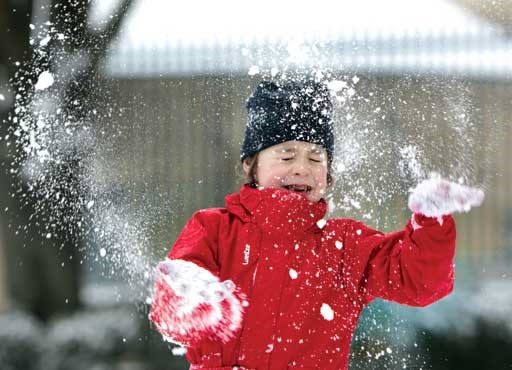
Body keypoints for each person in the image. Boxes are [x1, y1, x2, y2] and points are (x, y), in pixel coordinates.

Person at [148, 78, 484, 370]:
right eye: (286, 154)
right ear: (251, 164)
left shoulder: (344, 246)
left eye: (315, 157)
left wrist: (432, 222)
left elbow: (417, 280)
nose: (301, 168)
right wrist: (189, 303)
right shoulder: (215, 230)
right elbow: (173, 305)